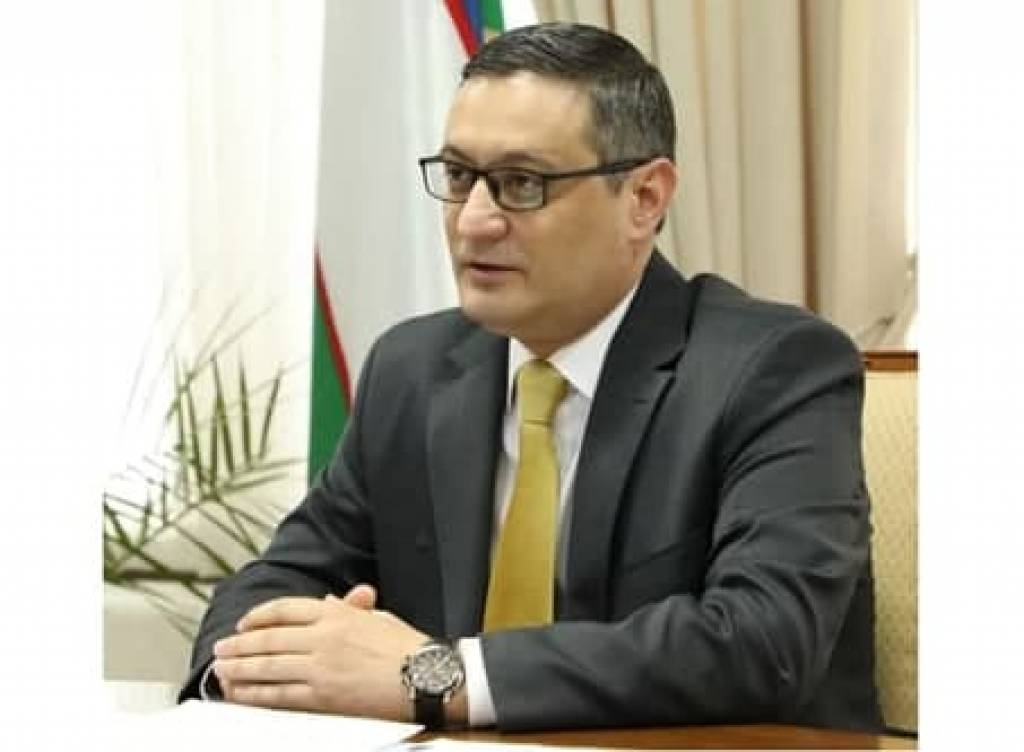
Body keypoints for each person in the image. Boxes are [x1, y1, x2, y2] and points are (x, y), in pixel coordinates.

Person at [180, 22, 881, 733]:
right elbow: (280, 580)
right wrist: (244, 669)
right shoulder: (413, 368)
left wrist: (434, 675)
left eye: (522, 184)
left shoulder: (775, 368)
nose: (474, 222)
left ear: (644, 198)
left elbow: (761, 641)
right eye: (459, 177)